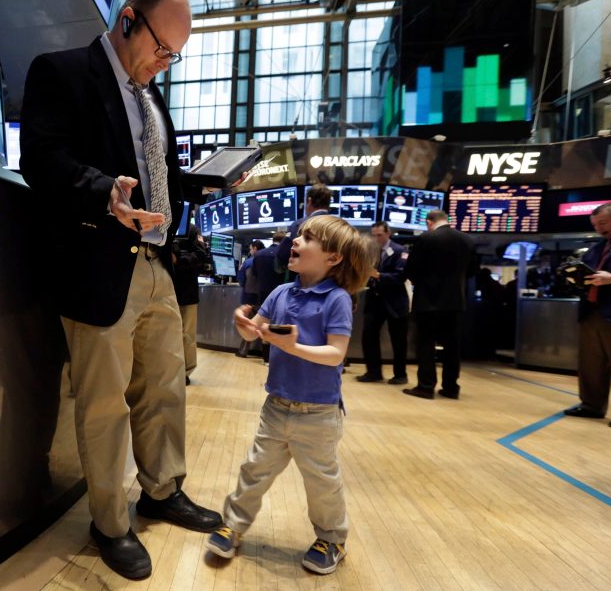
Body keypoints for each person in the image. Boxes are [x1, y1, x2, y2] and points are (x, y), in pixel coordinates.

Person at [19, 0, 221, 580]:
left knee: (165, 386)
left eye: (174, 56)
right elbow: (42, 159)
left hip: (157, 262)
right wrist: (104, 191)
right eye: (161, 48)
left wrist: (200, 186)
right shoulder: (60, 72)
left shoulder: (151, 95)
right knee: (105, 401)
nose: (164, 63)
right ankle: (109, 523)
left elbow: (161, 172)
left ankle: (163, 490)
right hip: (97, 261)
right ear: (128, 19)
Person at [205, 215, 374, 575]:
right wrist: (244, 325)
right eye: (299, 236)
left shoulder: (337, 299)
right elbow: (255, 333)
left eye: (308, 238)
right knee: (254, 471)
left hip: (319, 413)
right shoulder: (281, 293)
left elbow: (336, 354)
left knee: (322, 483)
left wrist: (292, 346)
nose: (295, 241)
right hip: (276, 406)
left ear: (333, 257)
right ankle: (233, 525)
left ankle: (332, 539)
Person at [402, 210, 478, 399]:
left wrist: (422, 282)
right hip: (455, 302)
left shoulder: (426, 238)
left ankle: (426, 386)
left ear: (429, 222)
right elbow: (472, 271)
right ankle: (451, 388)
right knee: (452, 346)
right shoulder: (467, 240)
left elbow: (411, 269)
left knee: (426, 345)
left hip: (427, 301)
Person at [564, 203, 611, 428]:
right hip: (591, 311)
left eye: (603, 223)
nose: (599, 228)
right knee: (591, 364)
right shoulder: (596, 248)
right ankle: (591, 406)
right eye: (595, 225)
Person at [356, 221, 410, 385]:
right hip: (375, 299)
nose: (376, 238)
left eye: (379, 235)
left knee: (398, 340)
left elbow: (401, 276)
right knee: (369, 336)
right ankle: (373, 372)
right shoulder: (371, 251)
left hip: (395, 301)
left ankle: (400, 374)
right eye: (373, 235)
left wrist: (379, 276)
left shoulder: (400, 251)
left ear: (388, 233)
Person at [172, 220, 206, 385]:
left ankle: (185, 372)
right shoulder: (161, 226)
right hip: (164, 289)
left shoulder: (191, 230)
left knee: (187, 334)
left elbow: (200, 255)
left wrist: (178, 260)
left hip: (186, 292)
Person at [276, 183, 333, 271]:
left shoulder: (299, 224)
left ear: (309, 201)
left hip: (304, 275)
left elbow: (282, 254)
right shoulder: (339, 226)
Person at [253, 231, 287, 363]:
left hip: (263, 293)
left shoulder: (259, 255)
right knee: (280, 325)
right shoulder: (285, 254)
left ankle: (266, 358)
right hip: (282, 294)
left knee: (264, 325)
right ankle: (278, 357)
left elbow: (255, 274)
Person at [236, 240, 264, 358]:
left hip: (249, 297)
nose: (250, 251)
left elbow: (241, 280)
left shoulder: (248, 262)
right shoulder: (268, 260)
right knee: (264, 324)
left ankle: (243, 351)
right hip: (264, 298)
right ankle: (266, 354)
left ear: (255, 248)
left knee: (249, 325)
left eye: (251, 248)